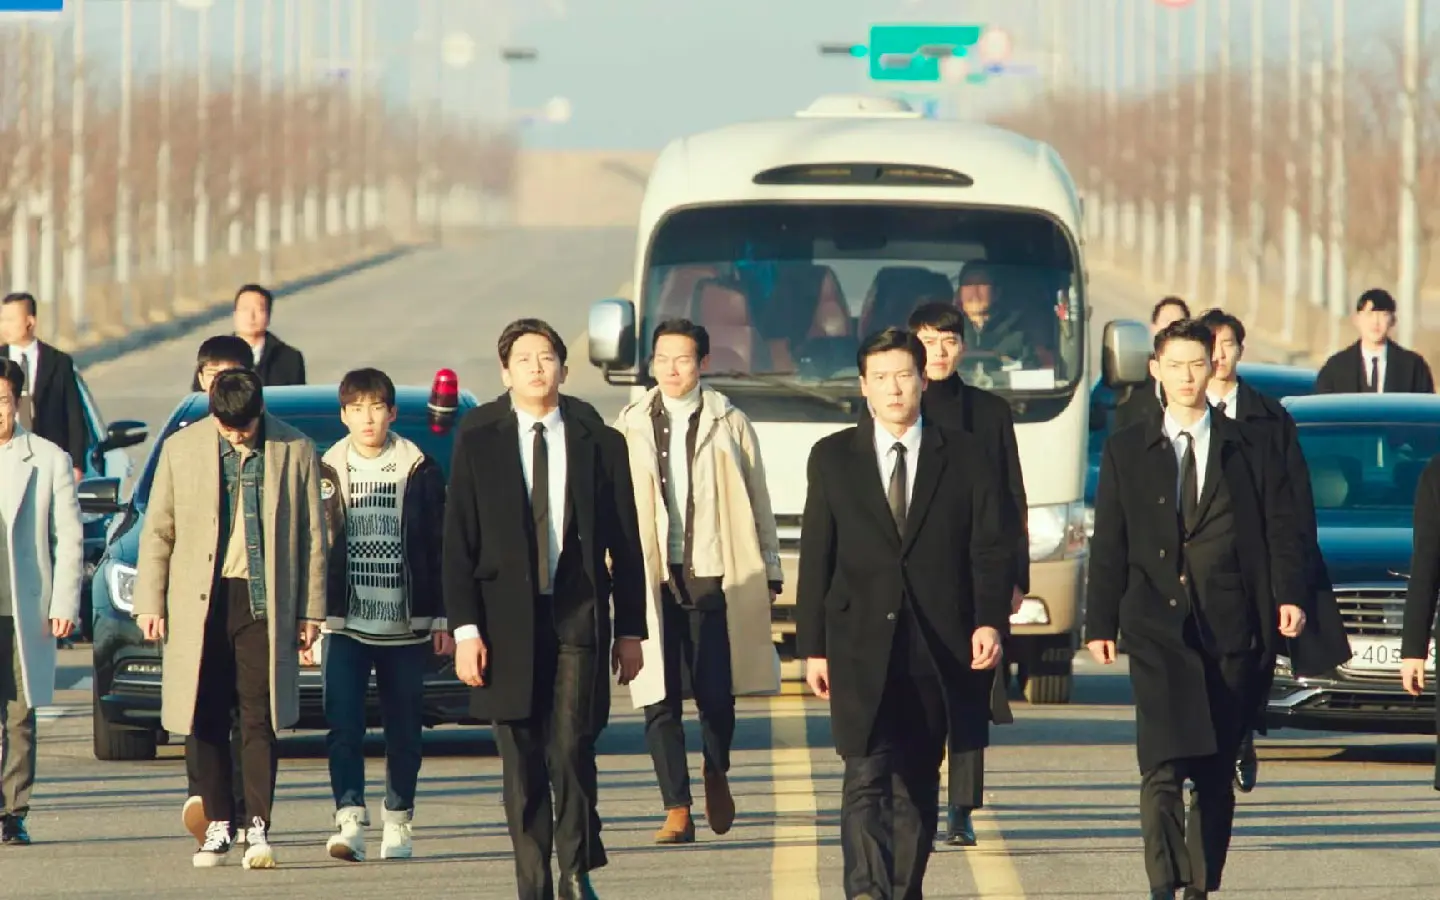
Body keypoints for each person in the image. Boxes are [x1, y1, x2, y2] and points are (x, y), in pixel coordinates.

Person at [1085, 318, 1308, 900]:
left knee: (1213, 771)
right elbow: (1110, 541)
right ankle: (1164, 883)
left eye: (1196, 364)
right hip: (1155, 626)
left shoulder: (1249, 446)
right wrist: (1099, 621)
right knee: (1160, 766)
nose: (1187, 377)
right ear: (1155, 370)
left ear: (1214, 367)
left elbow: (1281, 527)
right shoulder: (1127, 449)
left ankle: (1200, 886)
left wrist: (1288, 595)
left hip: (1231, 625)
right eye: (1175, 365)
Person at [797, 327, 1013, 900]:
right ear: (863, 387)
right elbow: (818, 555)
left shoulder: (964, 456)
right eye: (881, 378)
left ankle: (903, 888)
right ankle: (867, 892)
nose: (893, 388)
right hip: (857, 641)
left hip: (935, 644)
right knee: (864, 774)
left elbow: (988, 549)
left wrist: (989, 621)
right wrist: (812, 647)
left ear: (922, 380)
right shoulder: (832, 457)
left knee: (917, 780)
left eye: (903, 375)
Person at [442, 318, 647, 900]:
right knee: (522, 757)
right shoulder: (479, 439)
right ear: (505, 373)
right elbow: (457, 543)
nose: (537, 367)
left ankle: (575, 870)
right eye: (524, 359)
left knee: (573, 746)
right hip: (504, 623)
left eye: (547, 357)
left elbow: (626, 541)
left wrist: (631, 630)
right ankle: (532, 882)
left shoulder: (598, 441)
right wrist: (465, 631)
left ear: (564, 367)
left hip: (577, 612)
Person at [133, 368, 326, 870]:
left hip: (263, 601)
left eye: (245, 427)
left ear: (260, 412)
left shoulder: (295, 449)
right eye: (227, 427)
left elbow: (313, 537)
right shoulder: (181, 449)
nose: (237, 436)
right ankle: (218, 822)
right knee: (204, 713)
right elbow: (159, 531)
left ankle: (257, 825)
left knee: (259, 715)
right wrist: (150, 602)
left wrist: (311, 611)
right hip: (200, 602)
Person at [611, 318, 783, 845]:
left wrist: (771, 568)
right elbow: (613, 502)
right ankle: (677, 807)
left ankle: (715, 767)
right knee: (657, 697)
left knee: (716, 695)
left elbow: (758, 498)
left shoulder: (729, 421)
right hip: (651, 574)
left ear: (703, 363)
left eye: (682, 359)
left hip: (712, 571)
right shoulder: (629, 424)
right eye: (662, 358)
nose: (671, 369)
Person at [1197, 308, 1352, 795]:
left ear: (1241, 351)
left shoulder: (1270, 418)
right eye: (1211, 346)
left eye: (1228, 345)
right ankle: (1209, 747)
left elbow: (1294, 506)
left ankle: (1241, 735)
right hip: (1201, 566)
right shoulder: (1182, 414)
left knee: (1253, 662)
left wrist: (1292, 586)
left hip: (1257, 566)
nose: (1219, 356)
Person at [317, 367, 454, 862]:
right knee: (343, 727)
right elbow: (311, 549)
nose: (368, 418)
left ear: (392, 413)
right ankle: (349, 819)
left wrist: (442, 618)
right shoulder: (325, 471)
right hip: (345, 625)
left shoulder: (420, 469)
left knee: (404, 731)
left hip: (406, 626)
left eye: (376, 408)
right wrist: (309, 617)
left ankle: (399, 819)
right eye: (357, 409)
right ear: (344, 415)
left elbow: (440, 547)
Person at [906, 302, 1027, 846]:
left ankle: (961, 808)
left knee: (972, 690)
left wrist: (1015, 576)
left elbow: (1011, 497)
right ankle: (917, 796)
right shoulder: (897, 405)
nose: (938, 352)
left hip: (976, 570)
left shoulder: (989, 412)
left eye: (948, 341)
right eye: (928, 341)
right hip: (915, 572)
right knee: (917, 692)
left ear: (964, 346)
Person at [179, 333, 260, 846]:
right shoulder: (185, 439)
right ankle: (208, 800)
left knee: (252, 712)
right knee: (201, 702)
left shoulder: (270, 439)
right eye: (211, 375)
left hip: (252, 593)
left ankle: (246, 813)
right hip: (199, 595)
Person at [0, 358, 83, 846]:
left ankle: (13, 811)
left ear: (17, 402)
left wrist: (64, 603)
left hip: (22, 607)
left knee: (19, 712)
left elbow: (68, 538)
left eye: (3, 401)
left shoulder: (47, 458)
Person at [0, 292, 88, 484]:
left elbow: (74, 416)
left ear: (30, 322)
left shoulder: (58, 362)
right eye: (2, 319)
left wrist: (77, 464)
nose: (4, 326)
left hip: (48, 461)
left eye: (10, 320)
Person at [1314, 288, 1434, 394]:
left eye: (1383, 315)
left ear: (1393, 320)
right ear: (1356, 319)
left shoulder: (1413, 367)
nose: (1376, 322)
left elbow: (1425, 407)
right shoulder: (1336, 367)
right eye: (1369, 314)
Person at [189, 285, 306, 390]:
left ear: (268, 315)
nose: (251, 316)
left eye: (259, 309)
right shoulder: (214, 353)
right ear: (235, 314)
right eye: (245, 309)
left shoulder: (290, 357)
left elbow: (298, 400)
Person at [1114, 296, 1192, 432]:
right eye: (1167, 321)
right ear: (1153, 328)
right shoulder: (1132, 372)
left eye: (1179, 323)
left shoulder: (1197, 374)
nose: (1172, 328)